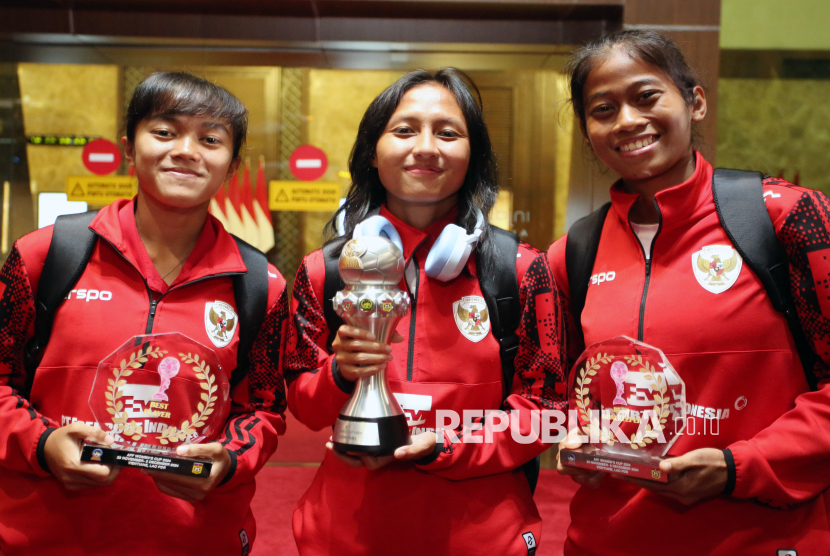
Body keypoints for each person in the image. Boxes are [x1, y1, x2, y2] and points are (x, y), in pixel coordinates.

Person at [547, 30, 830, 555]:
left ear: (694, 101)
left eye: (647, 96)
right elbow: (567, 394)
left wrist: (736, 467)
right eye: (604, 109)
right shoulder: (572, 254)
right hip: (607, 541)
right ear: (588, 134)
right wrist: (575, 437)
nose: (628, 120)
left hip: (763, 538)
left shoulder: (786, 218)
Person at [0, 72, 288, 555]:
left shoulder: (260, 283)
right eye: (165, 131)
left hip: (192, 537)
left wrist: (231, 461)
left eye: (210, 139)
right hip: (47, 535)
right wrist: (42, 444)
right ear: (129, 149)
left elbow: (263, 409)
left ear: (232, 164)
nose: (186, 150)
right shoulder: (44, 255)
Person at [284, 68, 567, 556]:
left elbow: (548, 413)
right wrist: (341, 374)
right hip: (347, 533)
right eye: (405, 129)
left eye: (448, 132)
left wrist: (450, 448)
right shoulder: (323, 272)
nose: (427, 146)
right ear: (372, 151)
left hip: (482, 536)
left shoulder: (521, 270)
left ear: (472, 155)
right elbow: (303, 407)